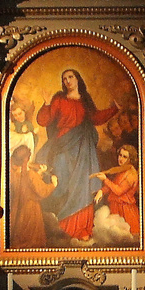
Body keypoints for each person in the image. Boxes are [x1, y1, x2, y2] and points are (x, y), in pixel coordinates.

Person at [35, 68, 117, 240]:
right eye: (64, 78)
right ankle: (61, 224)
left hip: (83, 148)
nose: (67, 81)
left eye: (70, 77)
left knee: (83, 186)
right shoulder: (59, 99)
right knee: (62, 181)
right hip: (63, 146)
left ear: (77, 79)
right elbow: (44, 121)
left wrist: (113, 109)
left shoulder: (85, 101)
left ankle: (82, 229)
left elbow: (95, 117)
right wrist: (47, 103)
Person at [8, 145, 57, 246]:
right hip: (30, 209)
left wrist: (38, 173)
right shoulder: (29, 174)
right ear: (26, 159)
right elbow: (42, 191)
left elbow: (27, 185)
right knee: (31, 237)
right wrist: (53, 184)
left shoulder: (12, 172)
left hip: (17, 206)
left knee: (18, 230)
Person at [93, 144, 141, 238]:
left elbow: (118, 191)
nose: (121, 158)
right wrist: (101, 191)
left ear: (130, 159)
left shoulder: (131, 174)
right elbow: (113, 185)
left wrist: (105, 180)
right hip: (116, 207)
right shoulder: (122, 170)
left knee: (127, 237)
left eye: (125, 156)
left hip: (125, 210)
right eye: (120, 155)